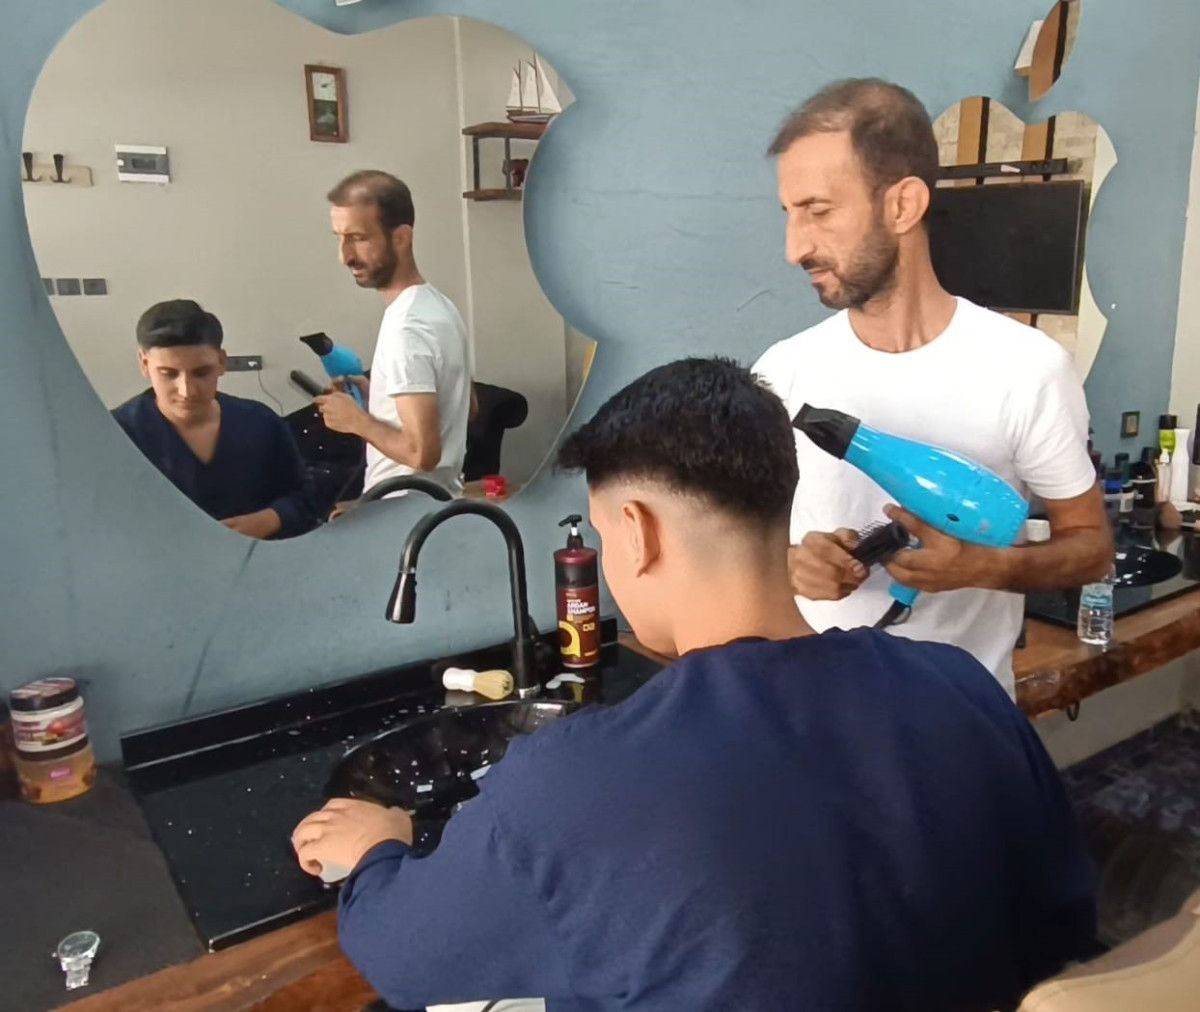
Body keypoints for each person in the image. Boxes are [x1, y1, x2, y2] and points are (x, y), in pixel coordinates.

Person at [292, 358, 1096, 1012]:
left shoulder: (578, 782)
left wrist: (376, 852)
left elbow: (408, 960)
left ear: (637, 532)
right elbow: (1060, 923)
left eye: (603, 534)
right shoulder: (958, 686)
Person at [753, 78, 1112, 694]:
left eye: (818, 211)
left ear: (903, 205)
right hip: (817, 714)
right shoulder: (782, 372)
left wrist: (984, 568)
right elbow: (742, 547)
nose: (794, 248)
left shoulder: (1027, 369)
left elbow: (1091, 549)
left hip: (966, 718)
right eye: (789, 214)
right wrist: (792, 564)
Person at [316, 170, 472, 499]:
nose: (345, 256)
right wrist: (382, 397)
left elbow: (422, 454)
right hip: (436, 505)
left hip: (401, 512)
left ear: (401, 238)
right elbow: (466, 406)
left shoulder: (407, 326)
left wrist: (355, 420)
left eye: (358, 238)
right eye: (339, 238)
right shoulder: (440, 307)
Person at [112, 299, 317, 539]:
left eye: (201, 373)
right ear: (144, 364)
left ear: (221, 362)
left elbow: (306, 498)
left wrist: (271, 519)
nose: (187, 390)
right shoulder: (115, 435)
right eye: (169, 374)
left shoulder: (261, 423)